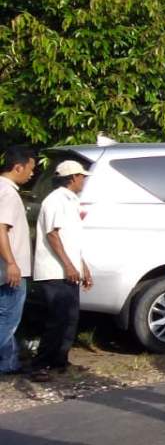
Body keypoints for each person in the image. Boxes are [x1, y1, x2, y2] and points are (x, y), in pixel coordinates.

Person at [30, 160, 93, 380]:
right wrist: (68, 265)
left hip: (68, 270)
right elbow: (52, 235)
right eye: (82, 176)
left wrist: (82, 266)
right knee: (57, 319)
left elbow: (71, 239)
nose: (84, 180)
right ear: (73, 177)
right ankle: (40, 365)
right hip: (56, 271)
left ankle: (59, 360)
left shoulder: (71, 201)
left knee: (70, 318)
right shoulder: (56, 200)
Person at [0, 146, 36, 375]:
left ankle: (9, 362)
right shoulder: (7, 193)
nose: (32, 174)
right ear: (18, 167)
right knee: (9, 318)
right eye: (31, 169)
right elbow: (0, 228)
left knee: (6, 316)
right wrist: (11, 263)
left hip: (5, 268)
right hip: (10, 270)